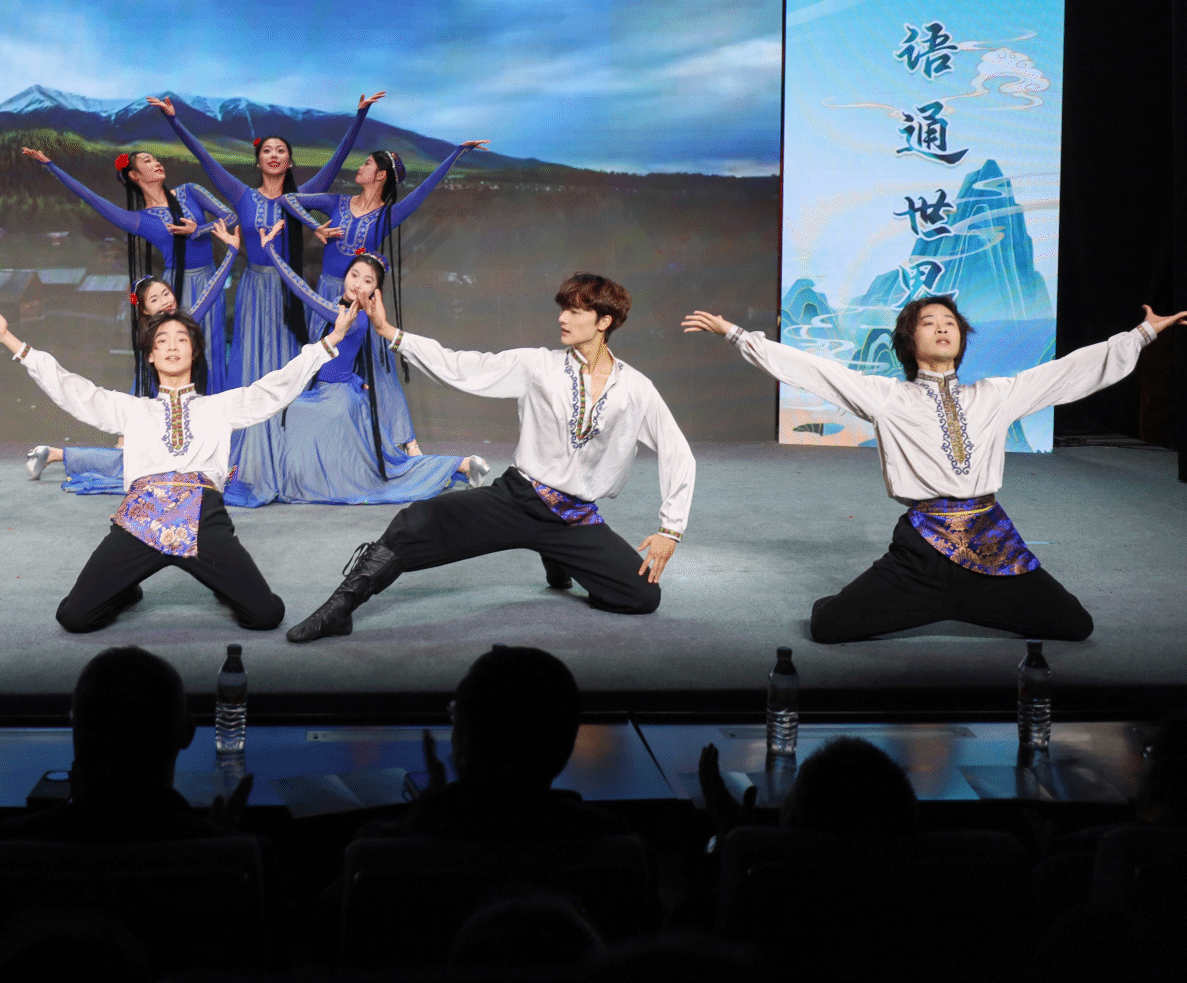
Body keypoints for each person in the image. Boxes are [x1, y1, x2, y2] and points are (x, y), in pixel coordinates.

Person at [683, 296, 1181, 642]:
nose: (943, 328)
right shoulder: (887, 397)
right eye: (928, 323)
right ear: (908, 341)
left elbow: (1066, 373)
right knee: (828, 626)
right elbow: (817, 372)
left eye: (950, 322)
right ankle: (943, 598)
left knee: (1075, 624)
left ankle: (964, 599)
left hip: (992, 538)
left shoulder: (995, 395)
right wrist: (737, 335)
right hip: (922, 544)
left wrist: (1140, 335)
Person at [287, 274, 693, 642]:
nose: (562, 318)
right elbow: (463, 366)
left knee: (641, 597)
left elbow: (677, 451)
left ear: (604, 321)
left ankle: (557, 556)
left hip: (573, 518)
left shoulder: (636, 388)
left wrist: (669, 530)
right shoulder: (538, 365)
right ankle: (340, 609)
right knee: (417, 521)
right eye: (563, 309)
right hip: (517, 499)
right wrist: (389, 332)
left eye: (574, 311)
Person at [0, 294, 355, 633]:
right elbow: (72, 388)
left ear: (194, 353)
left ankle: (224, 586)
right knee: (74, 617)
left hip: (202, 514)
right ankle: (126, 590)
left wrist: (333, 339)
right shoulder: (132, 409)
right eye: (162, 340)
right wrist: (8, 339)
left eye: (182, 339)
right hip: (141, 515)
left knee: (266, 615)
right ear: (151, 355)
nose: (172, 346)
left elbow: (274, 388)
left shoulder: (219, 407)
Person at [150, 91, 382, 502]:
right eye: (267, 151)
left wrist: (359, 116)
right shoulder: (242, 195)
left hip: (290, 293)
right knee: (248, 369)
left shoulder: (302, 193)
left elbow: (336, 160)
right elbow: (205, 158)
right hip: (254, 291)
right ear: (258, 161)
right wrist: (173, 119)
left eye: (281, 151)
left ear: (289, 162)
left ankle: (288, 459)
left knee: (289, 368)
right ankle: (248, 460)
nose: (274, 156)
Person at [243, 229, 487, 506]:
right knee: (281, 413)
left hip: (335, 399)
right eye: (354, 275)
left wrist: (271, 252)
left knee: (280, 415)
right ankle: (465, 465)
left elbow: (301, 290)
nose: (358, 284)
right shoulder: (341, 307)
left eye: (367, 281)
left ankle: (462, 463)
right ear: (345, 276)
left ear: (374, 291)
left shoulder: (351, 316)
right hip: (332, 393)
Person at [283, 142, 486, 453]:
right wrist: (315, 228)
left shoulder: (387, 215)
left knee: (379, 367)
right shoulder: (336, 202)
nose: (360, 167)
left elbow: (424, 190)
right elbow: (288, 200)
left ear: (380, 175)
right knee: (320, 362)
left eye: (366, 163)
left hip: (362, 302)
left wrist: (455, 154)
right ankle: (327, 441)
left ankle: (407, 441)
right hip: (326, 293)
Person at [25, 226, 238, 492]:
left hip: (180, 411)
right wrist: (126, 434)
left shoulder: (183, 322)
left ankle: (56, 454)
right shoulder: (153, 342)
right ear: (145, 310)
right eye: (155, 299)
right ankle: (56, 454)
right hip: (160, 417)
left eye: (166, 293)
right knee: (136, 464)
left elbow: (212, 290)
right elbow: (142, 391)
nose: (165, 301)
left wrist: (232, 251)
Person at [359, 645, 625, 847]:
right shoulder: (613, 842)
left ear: (465, 741)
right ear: (565, 742)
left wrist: (432, 808)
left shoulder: (381, 851)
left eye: (456, 715)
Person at [23, 143, 236, 387]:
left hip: (211, 280)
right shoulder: (139, 220)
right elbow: (90, 198)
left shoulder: (190, 191)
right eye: (147, 160)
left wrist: (199, 230)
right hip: (177, 290)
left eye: (156, 158)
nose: (157, 162)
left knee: (211, 349)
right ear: (135, 175)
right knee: (177, 350)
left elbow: (230, 217)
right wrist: (50, 166)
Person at [4, 646, 250, 844]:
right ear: (187, 732)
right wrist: (221, 841)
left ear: (80, 741)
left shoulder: (8, 845)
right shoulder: (238, 856)